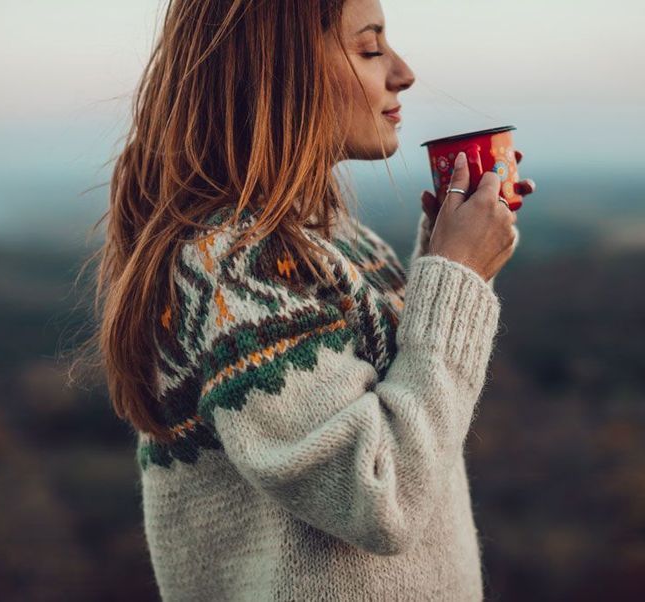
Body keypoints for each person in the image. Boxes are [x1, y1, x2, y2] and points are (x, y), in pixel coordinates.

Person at [88, 0, 536, 599]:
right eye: (371, 48)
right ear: (280, 70)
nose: (402, 72)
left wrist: (447, 259)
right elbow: (381, 493)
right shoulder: (231, 264)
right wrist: (456, 276)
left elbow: (404, 404)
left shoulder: (332, 238)